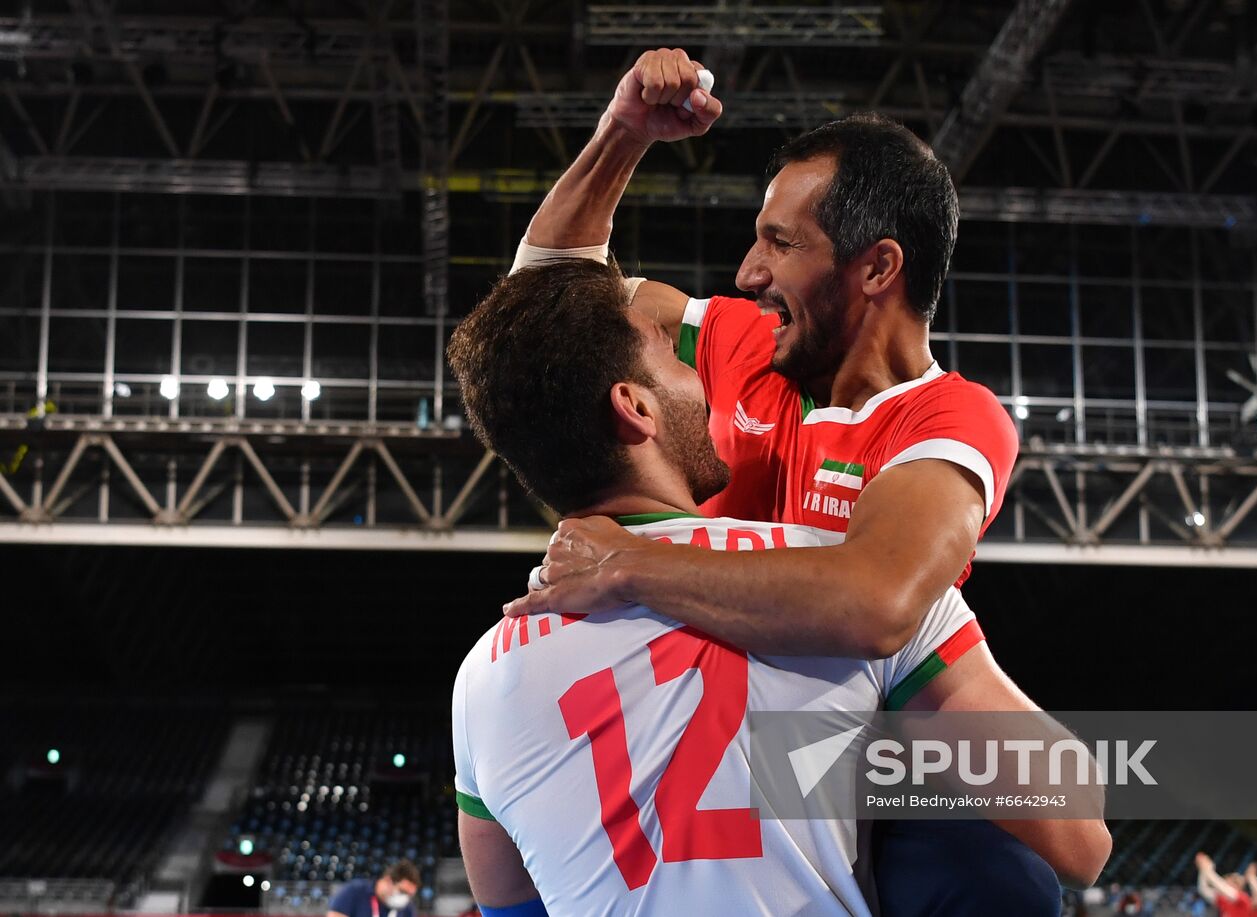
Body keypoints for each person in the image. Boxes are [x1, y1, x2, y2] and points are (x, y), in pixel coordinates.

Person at [499, 47, 1100, 913]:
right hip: (699, 743)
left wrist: (628, 564)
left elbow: (877, 600)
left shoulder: (949, 421)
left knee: (1001, 877)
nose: (747, 271)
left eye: (780, 243)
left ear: (878, 268)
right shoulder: (746, 341)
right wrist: (622, 133)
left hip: (832, 764)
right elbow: (548, 315)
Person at [446, 261, 1106, 916]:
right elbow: (1079, 836)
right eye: (674, 361)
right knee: (1004, 878)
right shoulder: (853, 582)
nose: (700, 380)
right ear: (636, 408)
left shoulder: (484, 675)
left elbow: (509, 906)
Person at [326, 861, 420, 917]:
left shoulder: (407, 909)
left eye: (409, 895)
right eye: (402, 891)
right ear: (388, 881)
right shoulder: (354, 891)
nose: (405, 898)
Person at [1195, 853, 1257, 917]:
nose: (1225, 883)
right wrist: (1203, 870)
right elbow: (1203, 889)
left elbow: (1223, 888)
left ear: (1237, 886)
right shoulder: (1224, 900)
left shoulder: (1243, 900)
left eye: (1228, 882)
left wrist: (1208, 869)